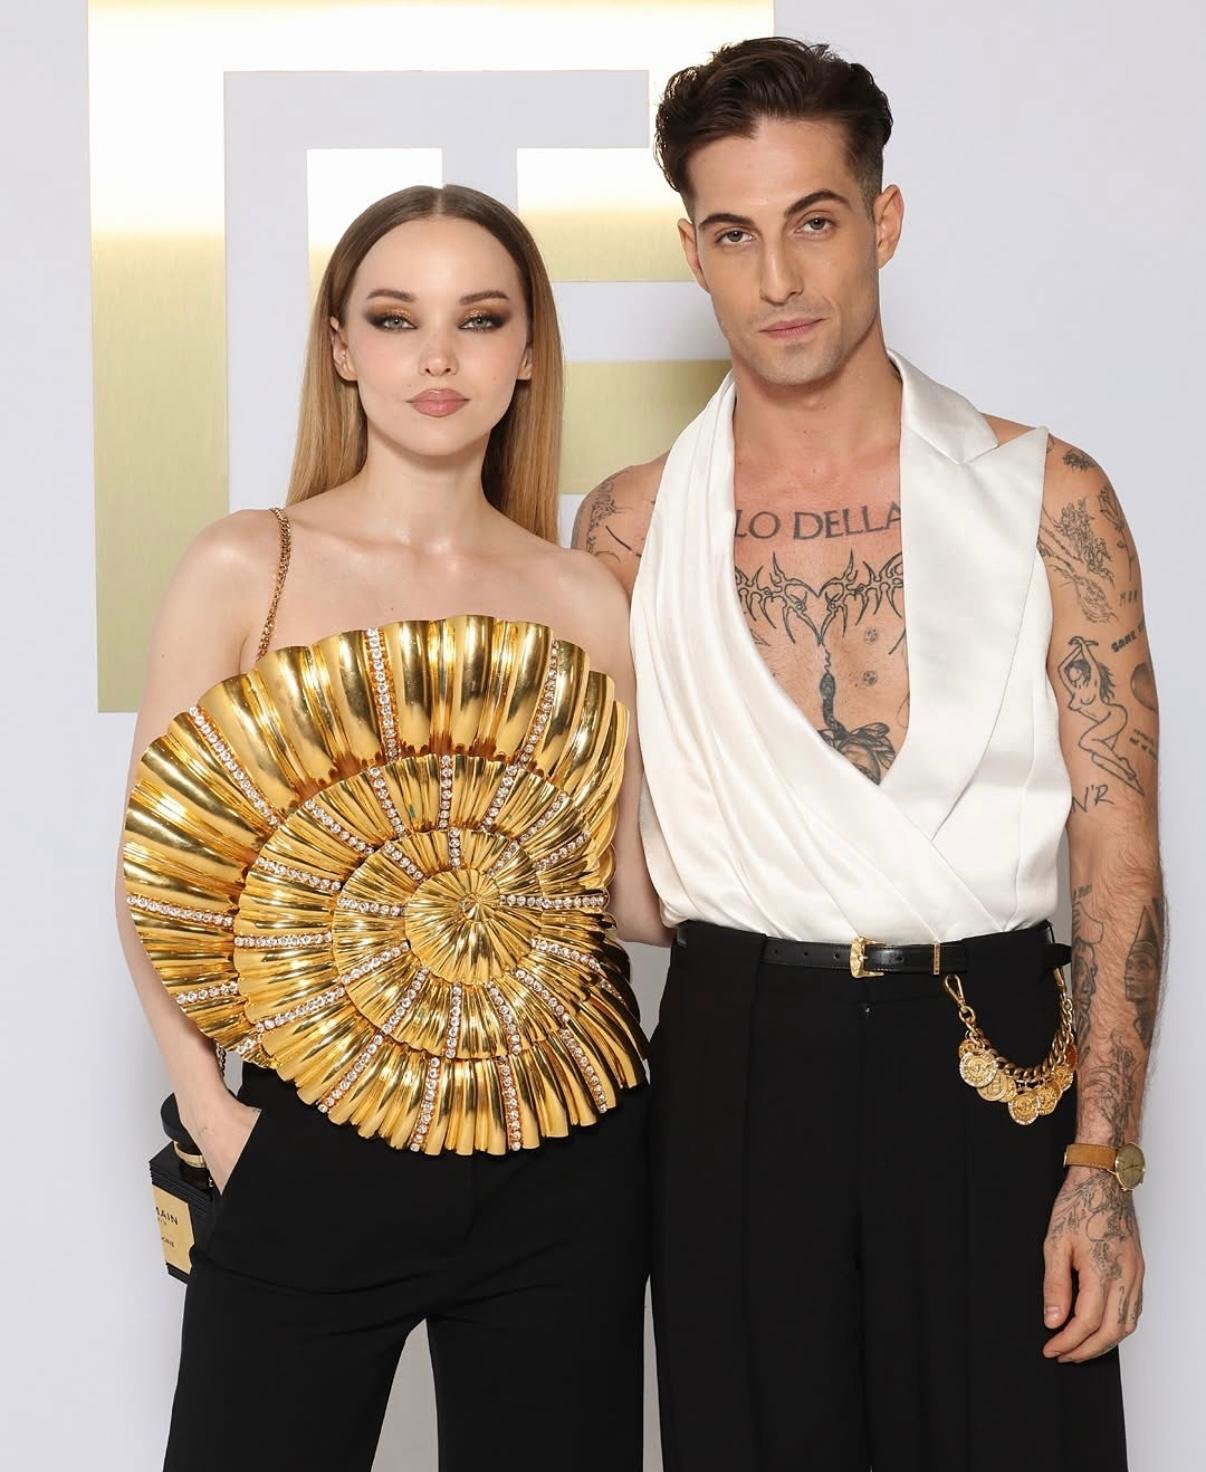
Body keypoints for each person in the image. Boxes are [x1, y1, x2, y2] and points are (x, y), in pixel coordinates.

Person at [574, 37, 1159, 1472]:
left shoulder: (1049, 494)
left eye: (814, 220)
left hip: (992, 1049)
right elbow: (588, 861)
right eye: (733, 234)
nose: (777, 276)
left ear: (881, 221)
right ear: (693, 254)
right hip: (732, 1053)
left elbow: (1117, 844)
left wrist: (1101, 1161)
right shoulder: (632, 524)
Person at [116, 184, 666, 1472]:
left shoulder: (585, 598)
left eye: (479, 319)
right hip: (310, 1140)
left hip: (566, 1154)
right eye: (395, 318)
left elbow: (626, 896)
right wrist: (211, 1113)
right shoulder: (246, 567)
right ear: (341, 349)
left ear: (526, 354)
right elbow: (155, 874)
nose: (437, 357)